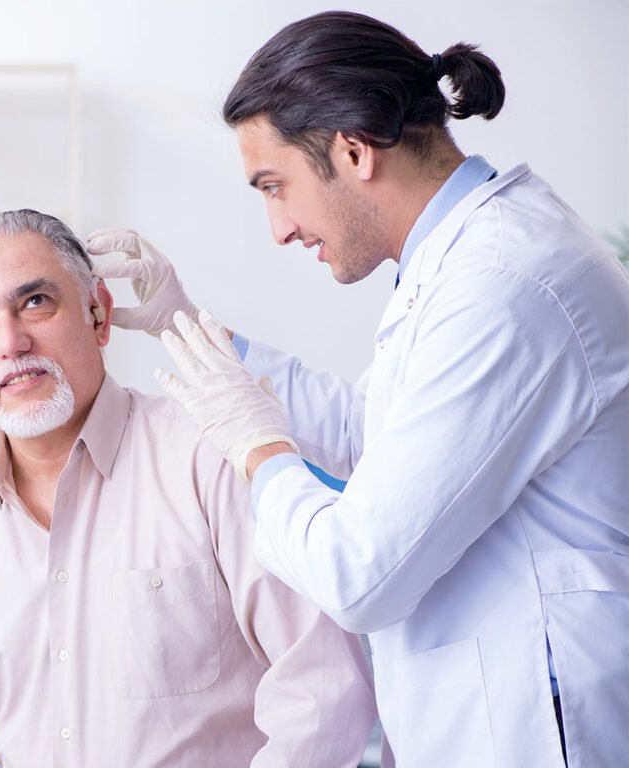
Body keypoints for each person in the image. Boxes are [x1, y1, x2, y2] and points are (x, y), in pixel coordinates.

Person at [88, 10, 629, 768]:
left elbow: (359, 574)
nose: (278, 227)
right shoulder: (460, 265)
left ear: (351, 149)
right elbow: (365, 432)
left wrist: (259, 449)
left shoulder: (504, 285)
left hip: (534, 733)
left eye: (275, 186)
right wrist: (185, 324)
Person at [0, 209, 378, 767]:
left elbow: (324, 688)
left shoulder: (210, 455)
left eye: (35, 302)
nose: (10, 342)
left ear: (99, 317)